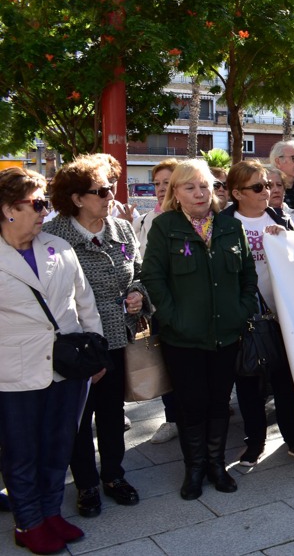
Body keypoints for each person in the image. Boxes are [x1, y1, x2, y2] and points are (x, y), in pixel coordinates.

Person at [0, 167, 102, 554]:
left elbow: (84, 301)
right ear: (9, 208)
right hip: (15, 372)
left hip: (68, 367)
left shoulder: (58, 247)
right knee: (22, 451)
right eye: (37, 203)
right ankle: (27, 523)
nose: (45, 211)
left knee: (59, 445)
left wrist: (96, 354)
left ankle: (49, 511)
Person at [143, 160, 258, 500]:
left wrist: (241, 311)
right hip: (183, 339)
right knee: (191, 405)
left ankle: (215, 465)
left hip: (226, 335)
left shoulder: (229, 227)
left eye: (204, 186)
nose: (199, 193)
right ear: (176, 193)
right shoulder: (165, 227)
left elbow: (247, 277)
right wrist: (173, 318)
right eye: (190, 187)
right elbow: (153, 278)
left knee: (219, 403)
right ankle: (193, 469)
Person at [43, 155, 149, 519]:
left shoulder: (121, 229)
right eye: (101, 191)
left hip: (118, 338)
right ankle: (86, 484)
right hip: (79, 343)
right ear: (76, 198)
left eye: (111, 188)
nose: (110, 196)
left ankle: (114, 476)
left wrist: (138, 294)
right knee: (79, 416)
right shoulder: (54, 236)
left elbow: (138, 271)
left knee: (111, 411)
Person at [221, 161, 294, 467]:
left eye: (271, 185)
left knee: (287, 381)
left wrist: (287, 240)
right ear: (237, 193)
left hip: (283, 315)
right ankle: (255, 442)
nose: (269, 191)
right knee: (249, 382)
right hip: (245, 318)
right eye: (259, 187)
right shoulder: (223, 223)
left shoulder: (280, 218)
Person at [135, 159, 182, 445]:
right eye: (157, 183)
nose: (161, 188)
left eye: (168, 182)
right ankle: (172, 418)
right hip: (158, 308)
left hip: (188, 307)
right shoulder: (144, 220)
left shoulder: (194, 219)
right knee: (165, 362)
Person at [268, 166, 294, 231]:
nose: (276, 190)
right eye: (270, 186)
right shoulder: (255, 217)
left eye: (279, 185)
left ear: (284, 189)